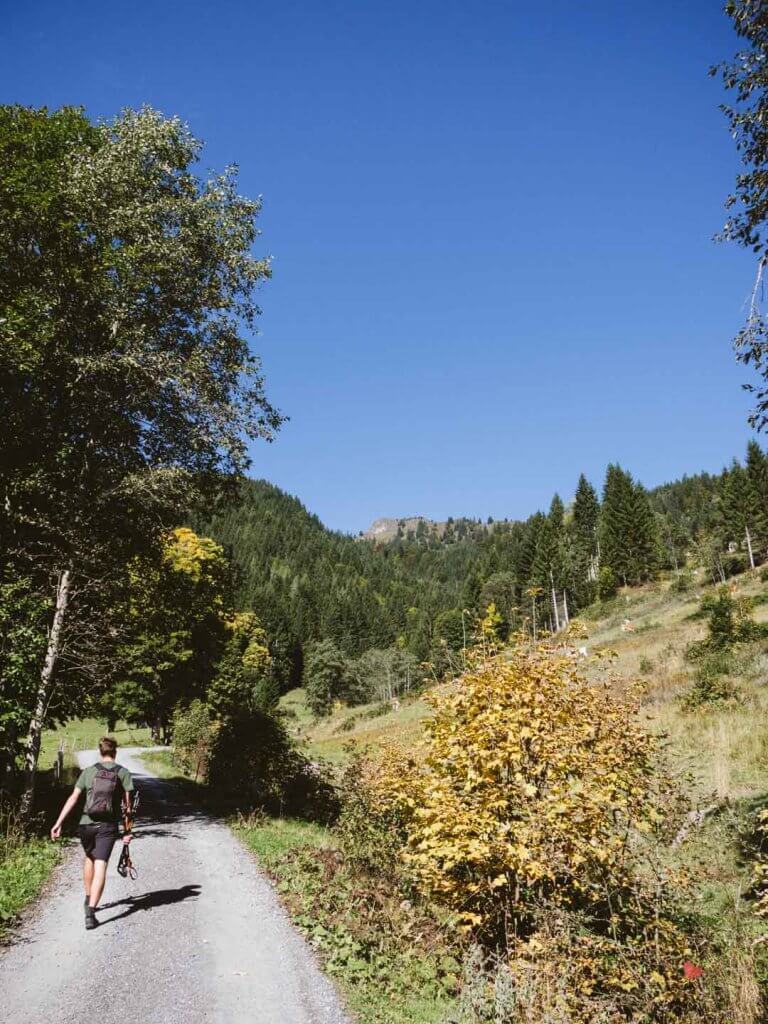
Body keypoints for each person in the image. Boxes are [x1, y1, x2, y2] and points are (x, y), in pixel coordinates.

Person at [50, 736, 134, 930]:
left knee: (89, 857)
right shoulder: (123, 773)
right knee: (101, 865)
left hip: (85, 824)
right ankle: (91, 911)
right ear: (115, 752)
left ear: (100, 751)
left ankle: (88, 897)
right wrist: (127, 831)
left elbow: (73, 798)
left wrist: (58, 822)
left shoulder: (88, 772)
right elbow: (128, 808)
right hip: (107, 826)